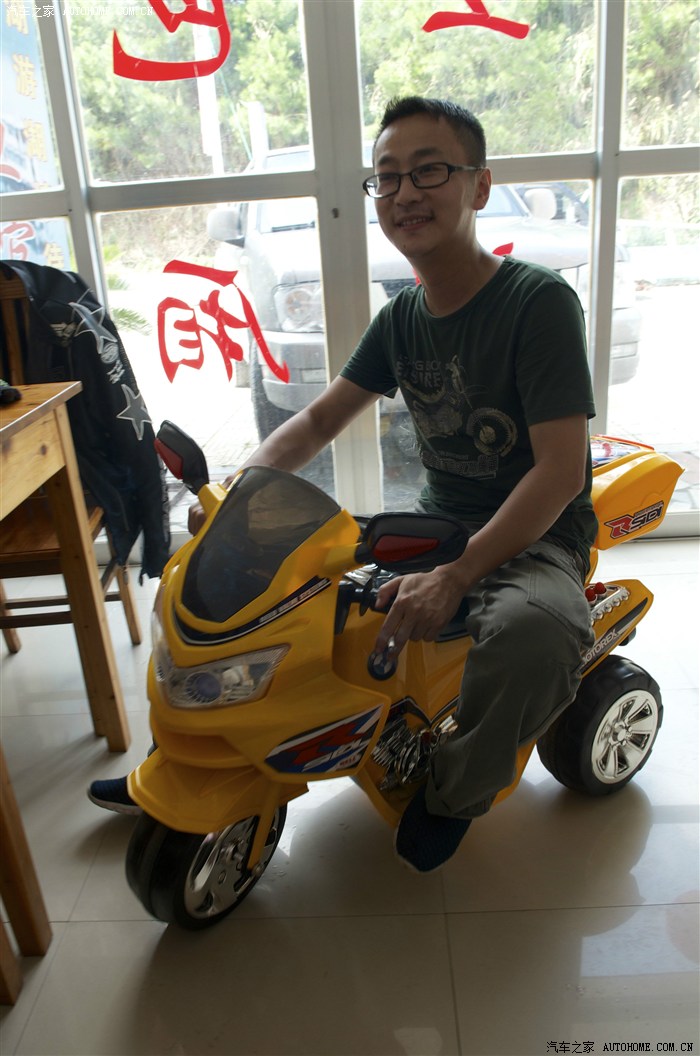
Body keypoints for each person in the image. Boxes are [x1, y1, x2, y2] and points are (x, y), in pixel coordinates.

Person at [89, 95, 597, 873]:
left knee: (536, 635)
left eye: (428, 171)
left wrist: (457, 574)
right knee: (253, 605)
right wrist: (239, 501)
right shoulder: (402, 319)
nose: (404, 193)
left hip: (537, 542)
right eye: (387, 177)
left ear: (480, 185)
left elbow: (559, 472)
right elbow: (316, 423)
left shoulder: (537, 302)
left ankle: (453, 793)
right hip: (436, 527)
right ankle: (189, 759)